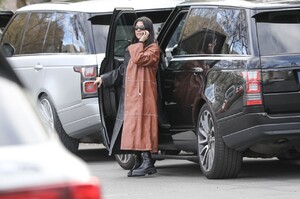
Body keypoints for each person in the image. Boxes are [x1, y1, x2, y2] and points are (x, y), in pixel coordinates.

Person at [94, 16, 160, 177]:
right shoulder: (134, 48)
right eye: (136, 28)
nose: (138, 31)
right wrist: (103, 78)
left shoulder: (153, 49)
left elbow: (139, 59)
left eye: (142, 28)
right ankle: (139, 160)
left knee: (143, 126)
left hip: (144, 95)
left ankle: (148, 162)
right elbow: (122, 71)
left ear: (149, 30)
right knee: (133, 128)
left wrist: (141, 43)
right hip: (132, 96)